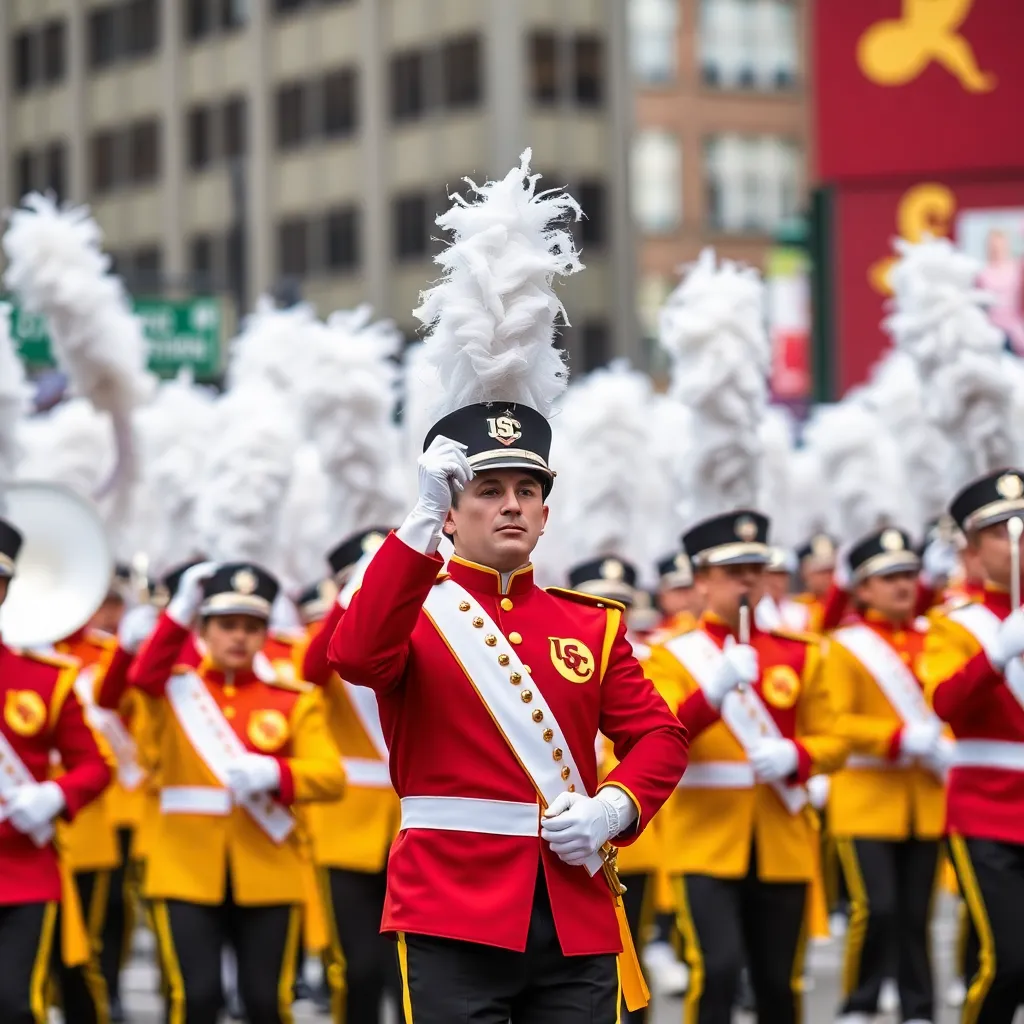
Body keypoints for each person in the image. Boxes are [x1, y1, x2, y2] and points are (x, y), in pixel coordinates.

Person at [644, 510, 847, 1024]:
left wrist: (797, 756)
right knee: (717, 973)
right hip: (704, 840)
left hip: (782, 836)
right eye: (734, 570)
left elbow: (837, 738)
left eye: (756, 568)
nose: (748, 580)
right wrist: (710, 693)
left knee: (780, 984)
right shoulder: (670, 658)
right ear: (703, 578)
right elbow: (655, 736)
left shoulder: (800, 653)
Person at [127, 560, 346, 1024]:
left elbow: (330, 778)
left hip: (269, 868)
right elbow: (142, 678)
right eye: (226, 625)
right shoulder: (175, 689)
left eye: (251, 627)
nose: (238, 637)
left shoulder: (292, 698)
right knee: (195, 999)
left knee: (267, 1003)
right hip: (184, 868)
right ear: (203, 630)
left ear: (266, 633)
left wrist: (278, 774)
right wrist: (178, 612)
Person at [825, 527, 949, 1024]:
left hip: (926, 799)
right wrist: (897, 737)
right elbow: (836, 720)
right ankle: (861, 1001)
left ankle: (919, 1007)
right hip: (865, 799)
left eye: (908, 575)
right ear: (863, 588)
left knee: (917, 913)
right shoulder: (845, 646)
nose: (902, 585)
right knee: (876, 909)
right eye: (888, 577)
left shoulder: (935, 638)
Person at [921, 468, 1024, 1023]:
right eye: (1001, 530)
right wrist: (995, 655)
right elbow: (942, 701)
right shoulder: (954, 624)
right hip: (987, 809)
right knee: (1009, 962)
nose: (1017, 540)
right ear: (974, 548)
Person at [0, 515, 112, 1023]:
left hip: (23, 869)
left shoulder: (43, 678)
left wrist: (55, 795)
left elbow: (95, 766)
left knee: (18, 1007)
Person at [299, 527, 402, 1024]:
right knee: (354, 969)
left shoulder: (418, 626)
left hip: (413, 823)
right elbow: (312, 670)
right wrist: (350, 596)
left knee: (408, 970)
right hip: (344, 828)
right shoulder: (330, 632)